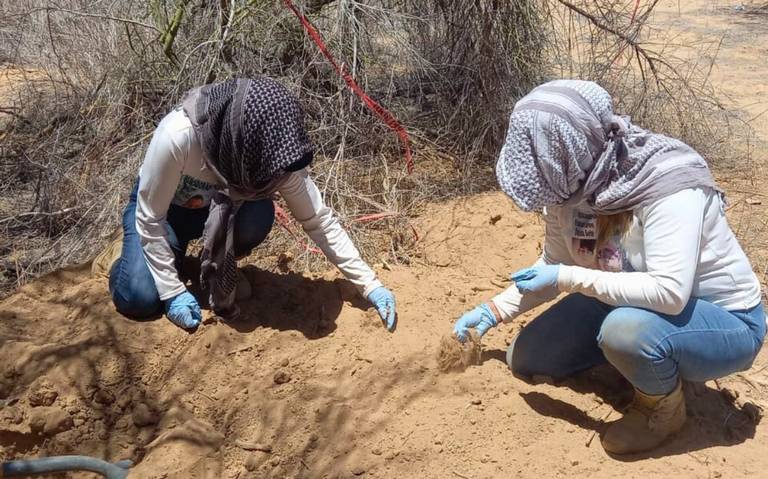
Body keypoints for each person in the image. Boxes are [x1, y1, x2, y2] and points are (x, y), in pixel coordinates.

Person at [453, 80, 765, 455]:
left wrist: (568, 278)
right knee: (527, 356)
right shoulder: (572, 186)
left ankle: (661, 409)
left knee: (626, 332)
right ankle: (633, 359)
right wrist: (493, 311)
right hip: (628, 297)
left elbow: (669, 293)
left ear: (564, 153)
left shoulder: (668, 187)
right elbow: (555, 262)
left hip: (721, 320)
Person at [99, 77, 397, 332]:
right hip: (165, 216)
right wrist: (173, 291)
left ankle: (209, 266)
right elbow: (150, 219)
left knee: (258, 213)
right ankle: (122, 257)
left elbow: (318, 220)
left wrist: (369, 284)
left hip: (218, 214)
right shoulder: (179, 137)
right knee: (139, 297)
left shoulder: (279, 157)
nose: (277, 176)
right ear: (246, 143)